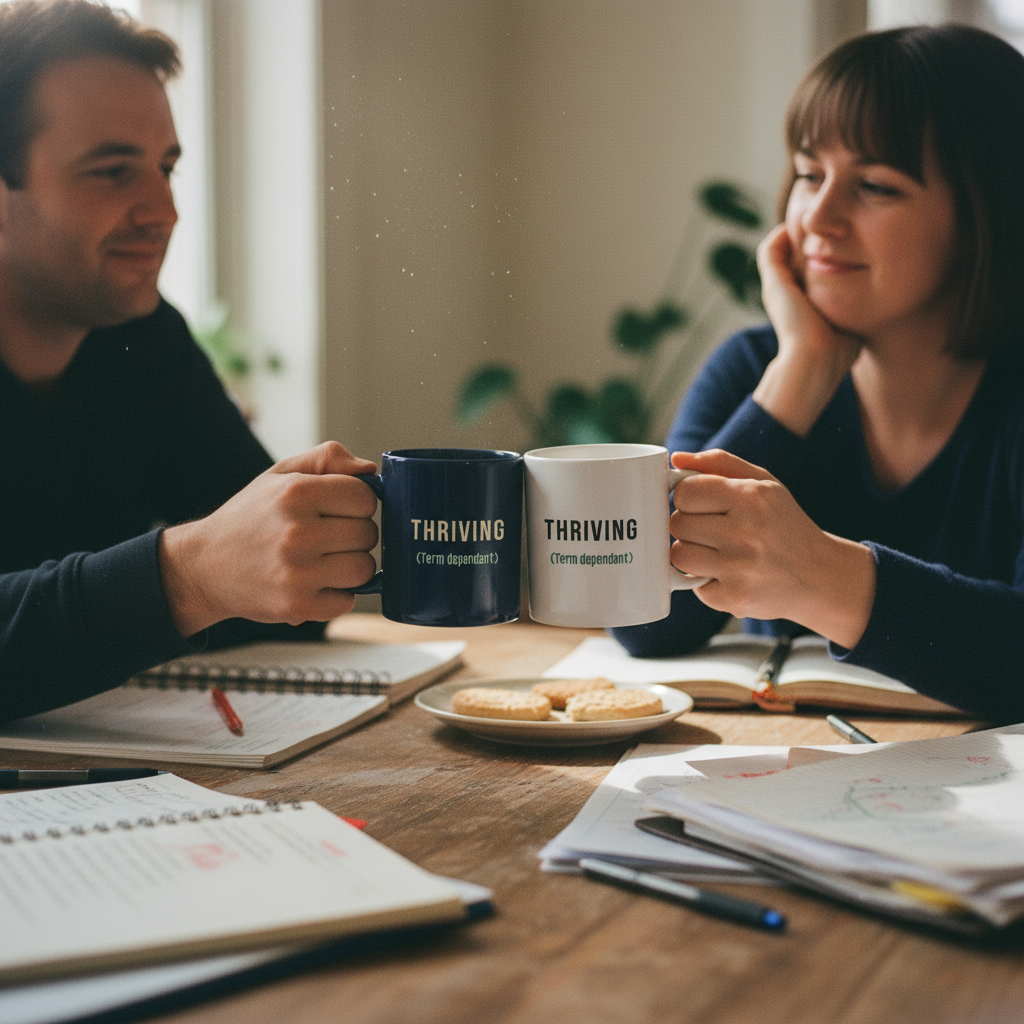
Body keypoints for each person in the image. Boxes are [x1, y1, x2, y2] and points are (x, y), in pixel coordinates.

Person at [611, 23, 1024, 724]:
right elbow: (649, 623)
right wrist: (797, 373)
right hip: (776, 775)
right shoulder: (753, 366)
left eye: (874, 185)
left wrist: (823, 577)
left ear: (986, 212)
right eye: (808, 175)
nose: (818, 217)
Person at [0, 0, 378, 722]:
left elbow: (284, 600)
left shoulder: (143, 342)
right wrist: (185, 578)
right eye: (112, 172)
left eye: (166, 168)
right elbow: (212, 578)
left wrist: (295, 549)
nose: (163, 210)